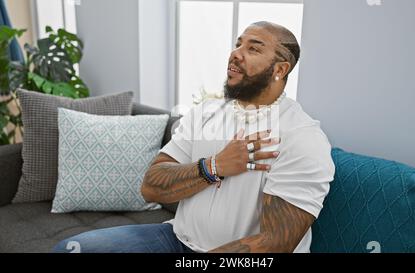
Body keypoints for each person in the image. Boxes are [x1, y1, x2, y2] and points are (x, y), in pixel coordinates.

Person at [53, 21, 335, 253]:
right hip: (175, 239)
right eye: (238, 43)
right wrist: (213, 167)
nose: (236, 53)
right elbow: (151, 187)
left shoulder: (302, 138)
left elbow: (275, 244)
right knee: (70, 249)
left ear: (280, 69)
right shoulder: (206, 113)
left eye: (253, 48)